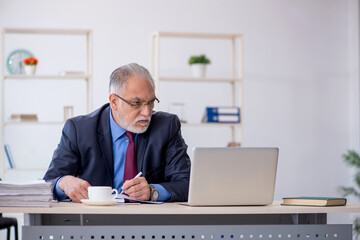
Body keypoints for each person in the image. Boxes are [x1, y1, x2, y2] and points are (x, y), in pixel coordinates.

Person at [43, 63, 191, 203]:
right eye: (136, 103)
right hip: (93, 222)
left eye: (151, 102)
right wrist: (63, 182)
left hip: (149, 223)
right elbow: (49, 182)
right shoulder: (79, 129)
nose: (147, 112)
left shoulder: (167, 126)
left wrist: (153, 191)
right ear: (114, 102)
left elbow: (187, 183)